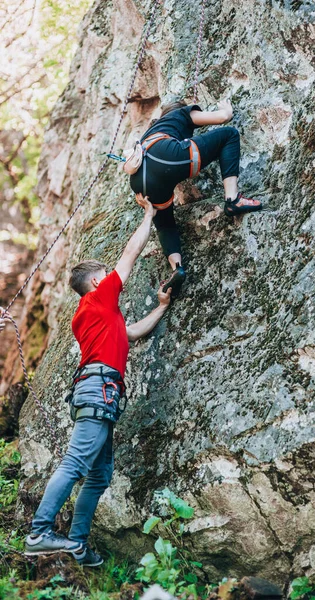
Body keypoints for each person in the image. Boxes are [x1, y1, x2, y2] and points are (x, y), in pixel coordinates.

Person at [23, 196, 171, 567]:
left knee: (99, 474)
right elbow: (129, 256)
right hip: (99, 388)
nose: (113, 281)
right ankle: (39, 531)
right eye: (107, 276)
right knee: (76, 463)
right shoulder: (98, 300)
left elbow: (133, 332)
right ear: (95, 281)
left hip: (97, 389)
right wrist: (150, 214)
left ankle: (77, 544)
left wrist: (162, 306)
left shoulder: (98, 317)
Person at [124, 98, 263, 298]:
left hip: (139, 180)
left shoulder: (152, 131)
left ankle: (177, 267)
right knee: (229, 135)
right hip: (165, 155)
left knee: (164, 223)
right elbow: (223, 118)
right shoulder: (179, 114)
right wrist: (226, 107)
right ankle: (232, 199)